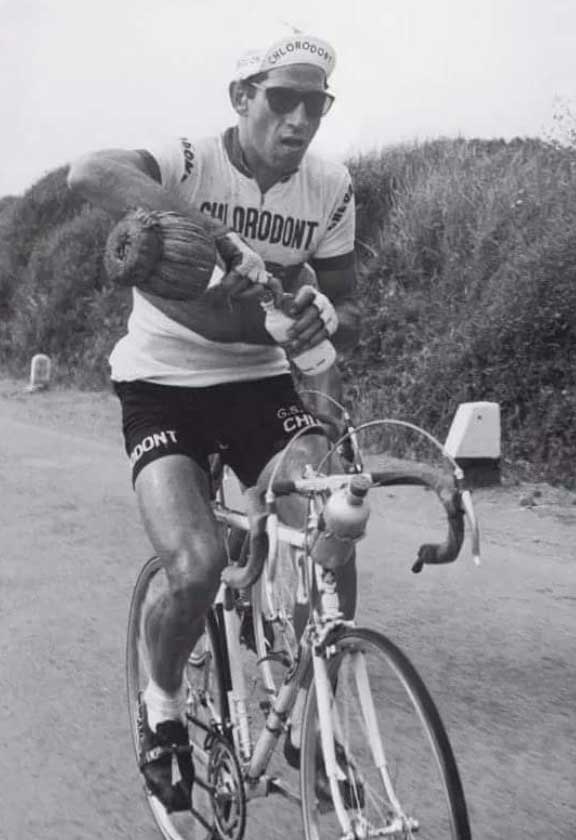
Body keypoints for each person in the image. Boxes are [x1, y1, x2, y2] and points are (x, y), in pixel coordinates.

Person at [67, 33, 360, 812]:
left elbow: (342, 291)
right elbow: (90, 171)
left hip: (260, 383)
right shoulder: (193, 157)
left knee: (332, 514)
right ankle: (162, 710)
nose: (299, 120)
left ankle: (314, 712)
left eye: (315, 104)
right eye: (281, 100)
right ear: (242, 98)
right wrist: (217, 235)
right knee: (194, 567)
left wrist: (326, 315)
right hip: (162, 384)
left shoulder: (330, 186)